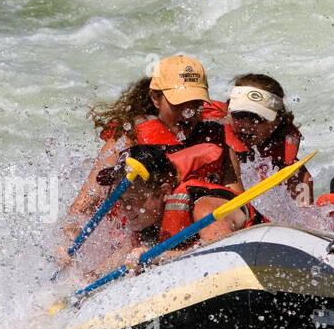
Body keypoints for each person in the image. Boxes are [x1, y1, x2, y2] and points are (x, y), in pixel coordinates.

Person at [60, 55, 224, 250]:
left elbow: (233, 197)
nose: (188, 112)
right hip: (132, 232)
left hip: (189, 232)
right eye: (179, 103)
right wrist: (67, 240)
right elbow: (82, 208)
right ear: (156, 99)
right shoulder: (127, 138)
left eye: (195, 102)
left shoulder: (215, 138)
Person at [80, 141, 251, 280]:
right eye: (121, 200)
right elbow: (113, 265)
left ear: (164, 192)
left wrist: (156, 257)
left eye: (132, 199)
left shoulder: (203, 207)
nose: (125, 209)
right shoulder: (147, 224)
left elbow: (222, 254)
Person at [224, 74, 313, 205]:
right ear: (228, 112)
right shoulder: (210, 144)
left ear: (277, 121)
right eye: (240, 115)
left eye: (258, 118)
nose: (247, 125)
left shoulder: (297, 178)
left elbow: (306, 220)